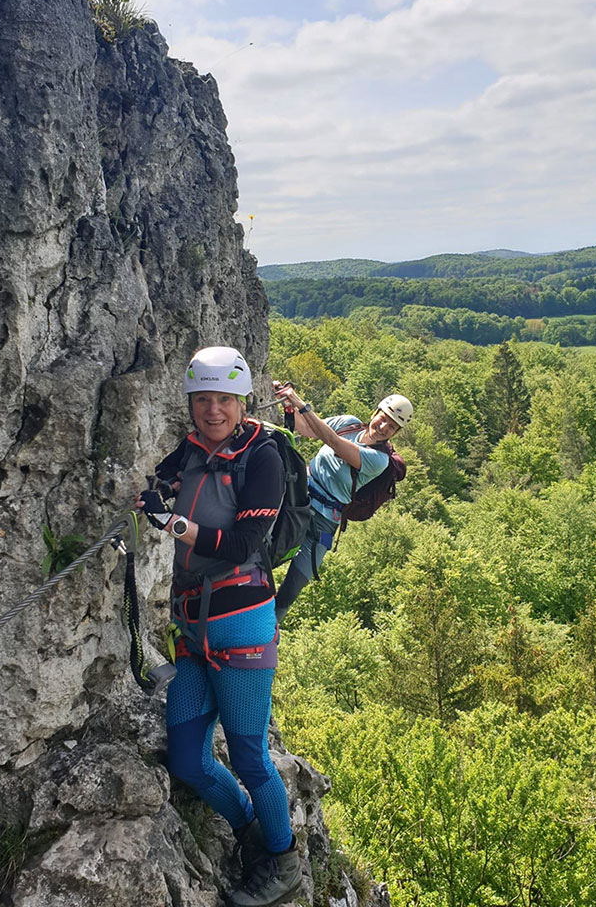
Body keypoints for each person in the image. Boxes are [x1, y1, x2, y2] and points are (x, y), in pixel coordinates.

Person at [136, 346, 301, 907]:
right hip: (191, 627)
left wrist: (174, 524)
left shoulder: (264, 457)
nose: (213, 411)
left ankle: (284, 864)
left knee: (250, 756)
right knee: (186, 759)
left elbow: (242, 546)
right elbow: (156, 486)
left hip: (241, 625)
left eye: (224, 400)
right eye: (202, 399)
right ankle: (251, 830)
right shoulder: (189, 449)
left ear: (242, 401)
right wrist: (151, 498)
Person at [271, 385, 413, 623]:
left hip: (323, 522)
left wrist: (300, 402)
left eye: (391, 427)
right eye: (383, 418)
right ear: (375, 413)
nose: (383, 427)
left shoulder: (379, 461)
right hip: (296, 499)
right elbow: (306, 427)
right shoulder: (348, 423)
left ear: (395, 433)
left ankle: (263, 637)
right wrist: (283, 398)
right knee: (261, 554)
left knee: (290, 590)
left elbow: (332, 442)